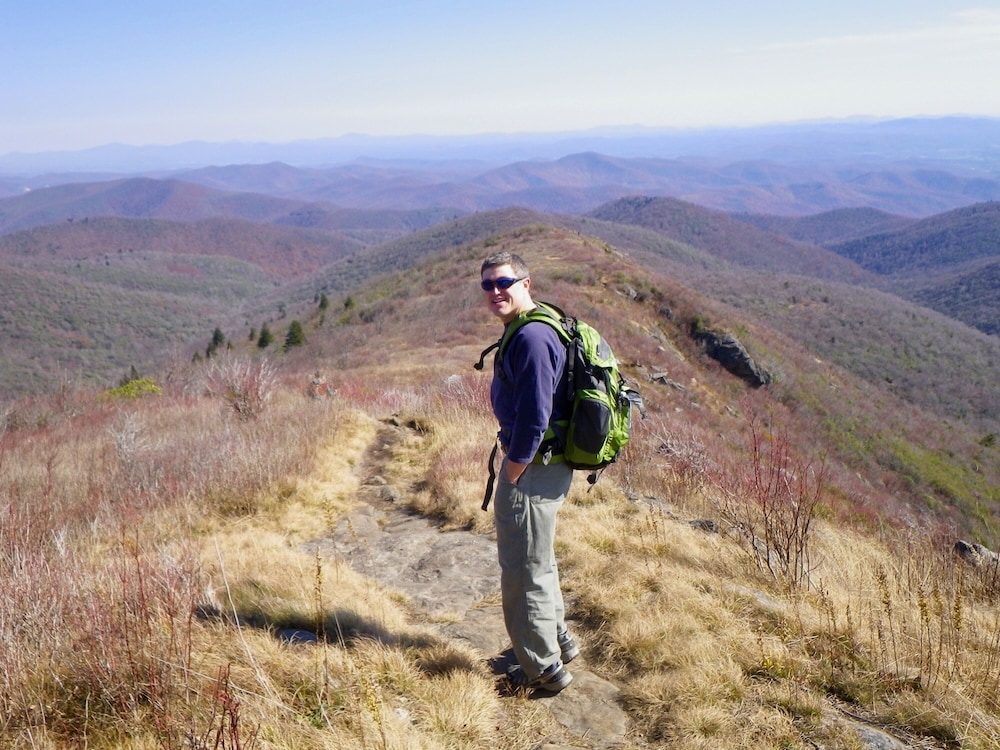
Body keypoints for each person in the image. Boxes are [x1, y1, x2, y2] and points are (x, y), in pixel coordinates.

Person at [480, 251, 580, 695]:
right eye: (487, 285)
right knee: (538, 560)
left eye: (504, 282)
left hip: (533, 467)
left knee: (523, 570)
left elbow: (535, 419)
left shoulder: (532, 338)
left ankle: (543, 669)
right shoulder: (535, 325)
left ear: (527, 282)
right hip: (545, 466)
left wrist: (513, 470)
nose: (495, 292)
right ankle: (557, 640)